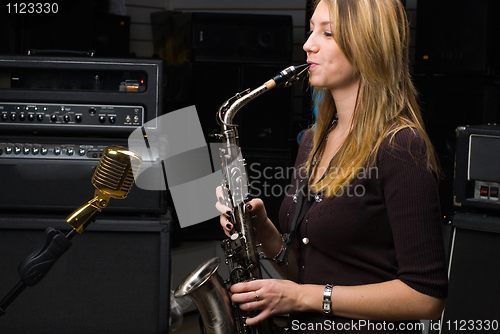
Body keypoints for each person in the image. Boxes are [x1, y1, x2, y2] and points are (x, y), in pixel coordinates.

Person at [215, 0, 448, 332]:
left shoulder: (400, 145)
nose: (309, 44)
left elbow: (426, 298)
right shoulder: (313, 141)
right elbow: (307, 272)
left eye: (327, 33)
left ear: (370, 44)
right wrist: (263, 229)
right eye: (312, 30)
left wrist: (304, 298)